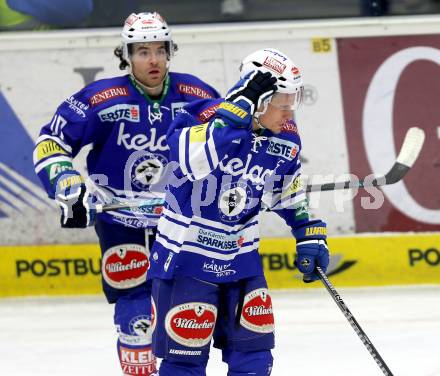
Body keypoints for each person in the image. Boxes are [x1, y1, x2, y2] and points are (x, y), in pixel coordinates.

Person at [32, 11, 219, 376]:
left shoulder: (197, 96)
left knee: (185, 313)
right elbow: (51, 141)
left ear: (169, 52)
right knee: (134, 315)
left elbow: (229, 144)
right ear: (126, 55)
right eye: (142, 51)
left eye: (160, 51)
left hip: (180, 220)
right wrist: (66, 182)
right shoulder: (101, 99)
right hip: (120, 220)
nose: (153, 60)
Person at [148, 48, 330, 375]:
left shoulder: (285, 137)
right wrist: (235, 113)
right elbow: (193, 162)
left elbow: (285, 188)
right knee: (184, 364)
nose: (290, 113)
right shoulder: (197, 117)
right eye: (283, 104)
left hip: (243, 263)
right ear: (260, 102)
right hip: (186, 262)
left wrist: (307, 230)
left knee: (255, 361)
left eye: (294, 102)